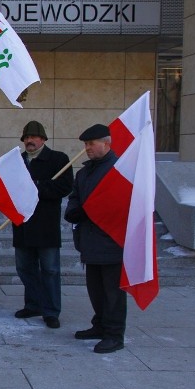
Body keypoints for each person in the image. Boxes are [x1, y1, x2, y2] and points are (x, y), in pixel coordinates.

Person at [64, 124, 127, 354]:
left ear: (106, 143)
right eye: (85, 144)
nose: (87, 148)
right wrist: (74, 210)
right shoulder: (85, 172)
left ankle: (114, 334)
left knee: (113, 292)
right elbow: (75, 197)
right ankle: (99, 325)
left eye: (91, 144)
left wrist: (91, 210)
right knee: (96, 290)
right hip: (90, 240)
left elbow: (121, 204)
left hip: (112, 241)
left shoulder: (119, 170)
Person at [12, 121, 73, 329]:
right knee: (24, 267)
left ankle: (51, 311)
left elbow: (64, 187)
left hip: (45, 224)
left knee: (50, 270)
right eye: (26, 138)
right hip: (22, 224)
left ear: (43, 139)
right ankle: (33, 304)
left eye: (34, 137)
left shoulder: (59, 160)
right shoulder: (18, 162)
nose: (30, 141)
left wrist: (37, 188)